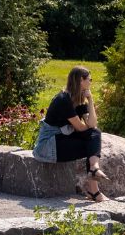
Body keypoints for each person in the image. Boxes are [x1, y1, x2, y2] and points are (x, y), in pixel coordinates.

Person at [45, 66, 109, 201]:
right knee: (90, 141)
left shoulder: (78, 100)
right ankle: (94, 191)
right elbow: (80, 128)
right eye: (89, 79)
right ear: (81, 80)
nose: (91, 82)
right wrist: (90, 133)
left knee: (95, 133)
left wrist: (90, 100)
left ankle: (94, 170)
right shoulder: (63, 99)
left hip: (62, 140)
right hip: (49, 146)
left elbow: (92, 125)